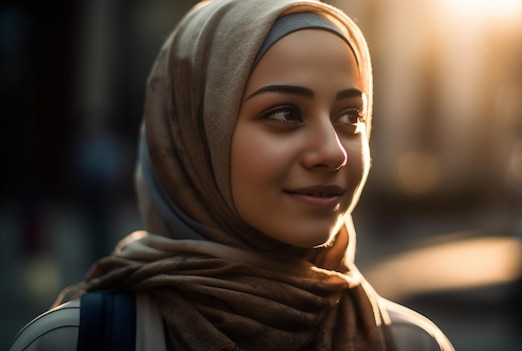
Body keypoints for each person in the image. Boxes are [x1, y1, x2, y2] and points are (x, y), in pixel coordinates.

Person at [9, 0, 455, 350]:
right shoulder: (73, 342)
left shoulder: (411, 343)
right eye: (285, 113)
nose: (333, 152)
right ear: (195, 137)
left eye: (350, 116)